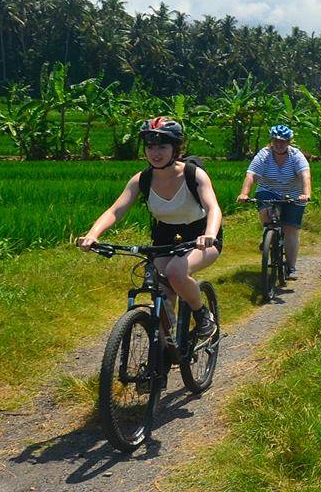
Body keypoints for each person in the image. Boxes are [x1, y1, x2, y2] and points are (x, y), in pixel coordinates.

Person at [77, 116, 222, 341]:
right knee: (159, 286)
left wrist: (210, 234)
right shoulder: (142, 179)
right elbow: (115, 211)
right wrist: (93, 235)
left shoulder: (193, 174)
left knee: (176, 271)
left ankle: (203, 316)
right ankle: (165, 346)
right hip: (165, 237)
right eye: (150, 147)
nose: (155, 152)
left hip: (200, 236)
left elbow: (213, 208)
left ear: (175, 148)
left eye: (162, 146)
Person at [240, 123, 313, 281]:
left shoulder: (296, 156)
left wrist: (306, 194)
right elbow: (251, 175)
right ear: (271, 141)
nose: (279, 144)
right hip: (269, 190)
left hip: (294, 194)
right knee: (266, 211)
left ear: (289, 142)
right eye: (276, 141)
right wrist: (244, 193)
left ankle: (291, 267)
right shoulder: (264, 155)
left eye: (283, 141)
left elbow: (305, 176)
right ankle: (269, 236)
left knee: (291, 230)